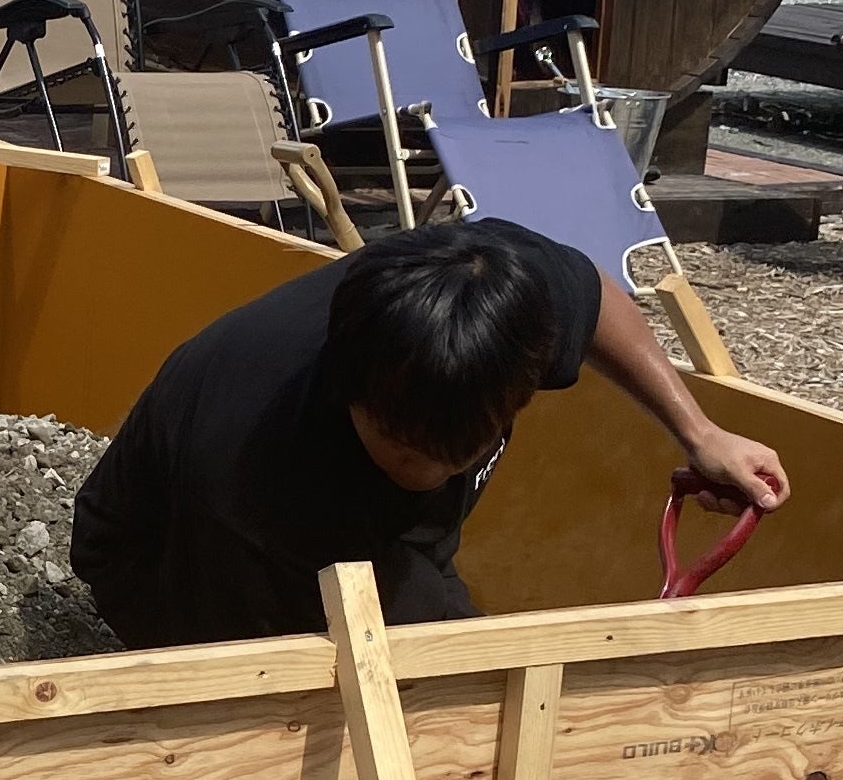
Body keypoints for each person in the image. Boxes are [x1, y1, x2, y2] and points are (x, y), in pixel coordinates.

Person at [70, 217, 787, 647]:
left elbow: (590, 293)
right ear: (348, 386)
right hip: (162, 557)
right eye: (402, 448)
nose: (422, 475)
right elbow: (296, 668)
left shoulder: (496, 294)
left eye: (455, 457)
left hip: (332, 517)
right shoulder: (257, 479)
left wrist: (700, 433)